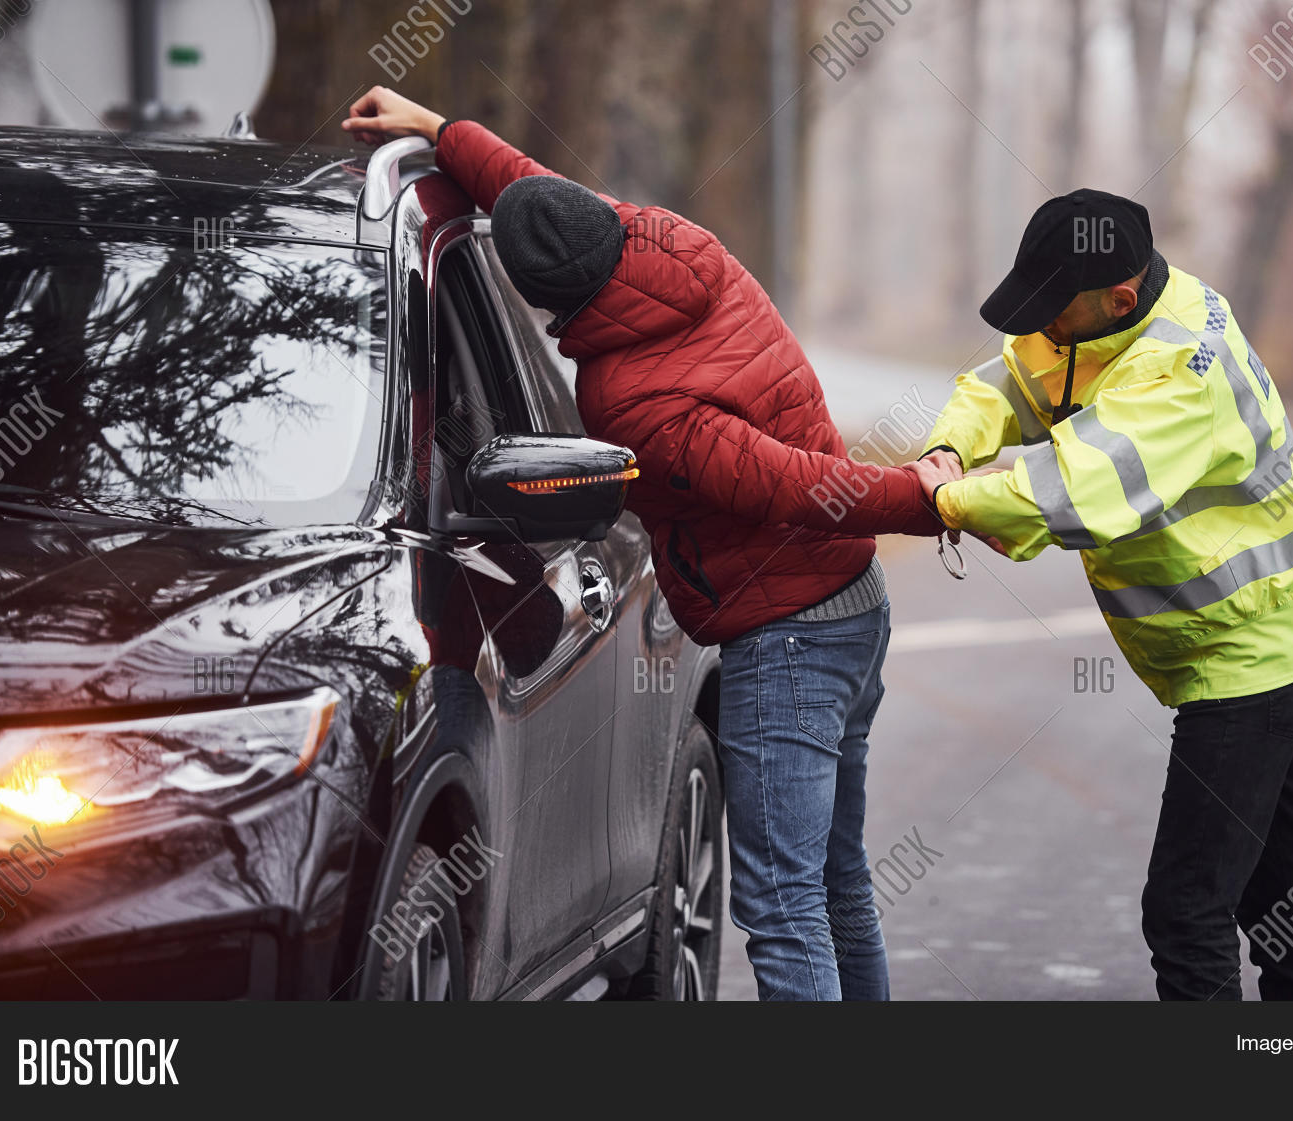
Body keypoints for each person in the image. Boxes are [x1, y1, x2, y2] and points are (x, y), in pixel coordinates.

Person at [342, 87, 956, 1000]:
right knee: (832, 884)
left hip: (785, 634)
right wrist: (439, 132)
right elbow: (545, 198)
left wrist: (929, 500)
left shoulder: (633, 397)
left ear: (544, 294)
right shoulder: (669, 242)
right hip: (852, 609)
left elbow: (785, 482)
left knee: (786, 908)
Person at [922, 189, 1293, 1000]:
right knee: (1284, 909)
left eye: (1052, 310)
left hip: (1248, 660)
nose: (1039, 327)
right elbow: (1003, 385)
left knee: (1186, 913)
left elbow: (1071, 490)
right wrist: (947, 445)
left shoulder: (1181, 369)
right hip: (1242, 653)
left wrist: (934, 499)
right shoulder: (1094, 320)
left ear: (1120, 296)